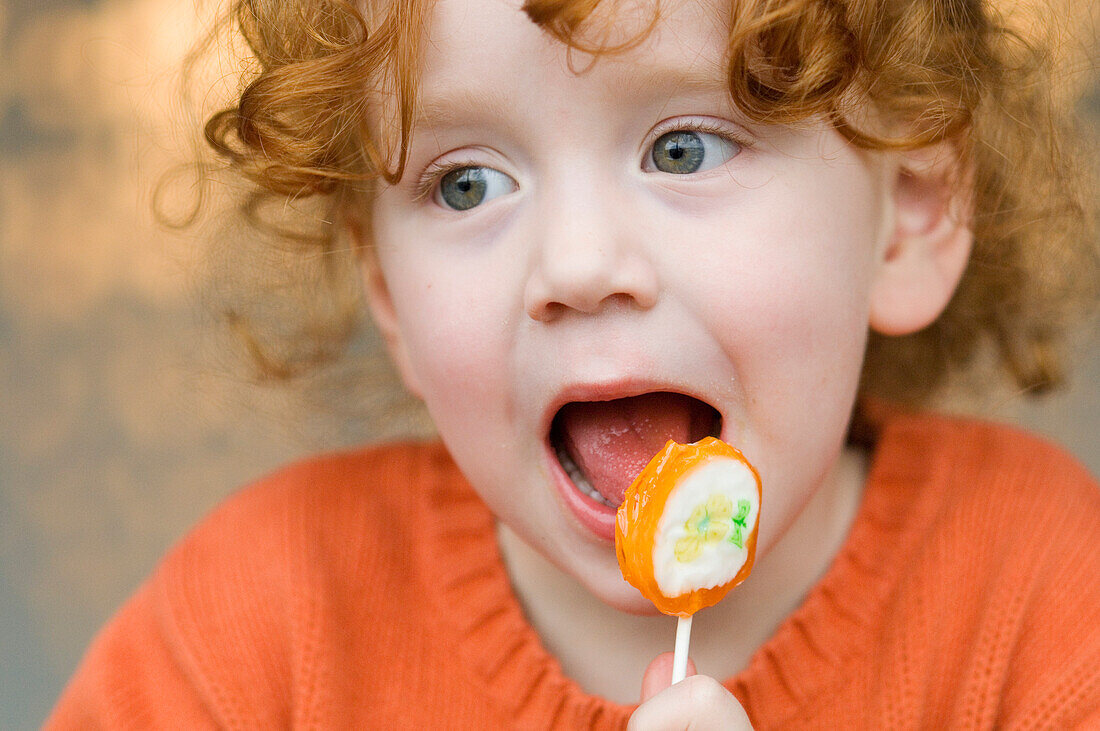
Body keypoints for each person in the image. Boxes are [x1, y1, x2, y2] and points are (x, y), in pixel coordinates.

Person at [49, 0, 1099, 727]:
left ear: (907, 217)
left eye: (681, 147)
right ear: (388, 296)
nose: (577, 264)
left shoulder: (1044, 597)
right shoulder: (254, 627)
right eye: (465, 185)